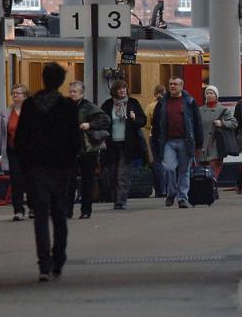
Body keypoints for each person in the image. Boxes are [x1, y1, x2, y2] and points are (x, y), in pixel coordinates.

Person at [14, 62, 80, 282]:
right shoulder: (67, 107)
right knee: (59, 215)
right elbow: (74, 141)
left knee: (40, 217)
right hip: (60, 169)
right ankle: (58, 259)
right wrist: (70, 165)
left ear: (42, 79)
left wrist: (26, 168)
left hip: (36, 169)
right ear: (61, 82)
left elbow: (21, 140)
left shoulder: (30, 106)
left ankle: (44, 264)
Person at [150, 77, 203, 209]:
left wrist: (199, 144)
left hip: (185, 141)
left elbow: (197, 123)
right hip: (168, 141)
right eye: (170, 84)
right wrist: (155, 142)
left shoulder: (190, 102)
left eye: (175, 84)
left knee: (184, 171)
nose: (172, 86)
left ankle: (182, 198)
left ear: (181, 86)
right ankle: (172, 192)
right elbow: (156, 124)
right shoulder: (162, 103)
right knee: (168, 168)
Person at [100, 80, 147, 210]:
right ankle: (115, 198)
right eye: (119, 89)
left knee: (123, 174)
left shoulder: (133, 104)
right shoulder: (108, 105)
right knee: (112, 174)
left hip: (128, 145)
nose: (122, 91)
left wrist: (134, 118)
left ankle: (121, 201)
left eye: (124, 88)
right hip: (111, 145)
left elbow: (143, 121)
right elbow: (101, 122)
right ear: (114, 91)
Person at [67, 81, 111, 219]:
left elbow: (105, 120)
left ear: (82, 93)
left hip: (87, 149)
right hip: (70, 150)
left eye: (75, 91)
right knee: (69, 181)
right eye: (71, 91)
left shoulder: (88, 107)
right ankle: (67, 210)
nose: (72, 94)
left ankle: (86, 210)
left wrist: (89, 124)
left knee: (87, 181)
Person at [0, 84, 30, 221]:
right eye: (13, 93)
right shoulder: (6, 114)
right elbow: (0, 135)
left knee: (31, 180)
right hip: (13, 151)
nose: (15, 95)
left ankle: (33, 207)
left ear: (25, 96)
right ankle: (18, 210)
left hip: (30, 153)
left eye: (18, 93)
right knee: (16, 181)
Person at [198, 85, 238, 182]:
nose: (209, 95)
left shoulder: (223, 110)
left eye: (211, 93)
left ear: (216, 96)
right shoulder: (200, 110)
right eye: (207, 93)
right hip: (202, 145)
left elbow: (234, 123)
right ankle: (206, 190)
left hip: (216, 144)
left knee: (213, 169)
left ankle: (212, 187)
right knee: (202, 170)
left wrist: (222, 123)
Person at [144, 84, 167, 197]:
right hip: (167, 136)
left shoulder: (150, 106)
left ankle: (160, 189)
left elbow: (147, 125)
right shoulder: (168, 105)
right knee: (169, 162)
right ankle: (170, 187)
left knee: (157, 162)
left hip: (154, 136)